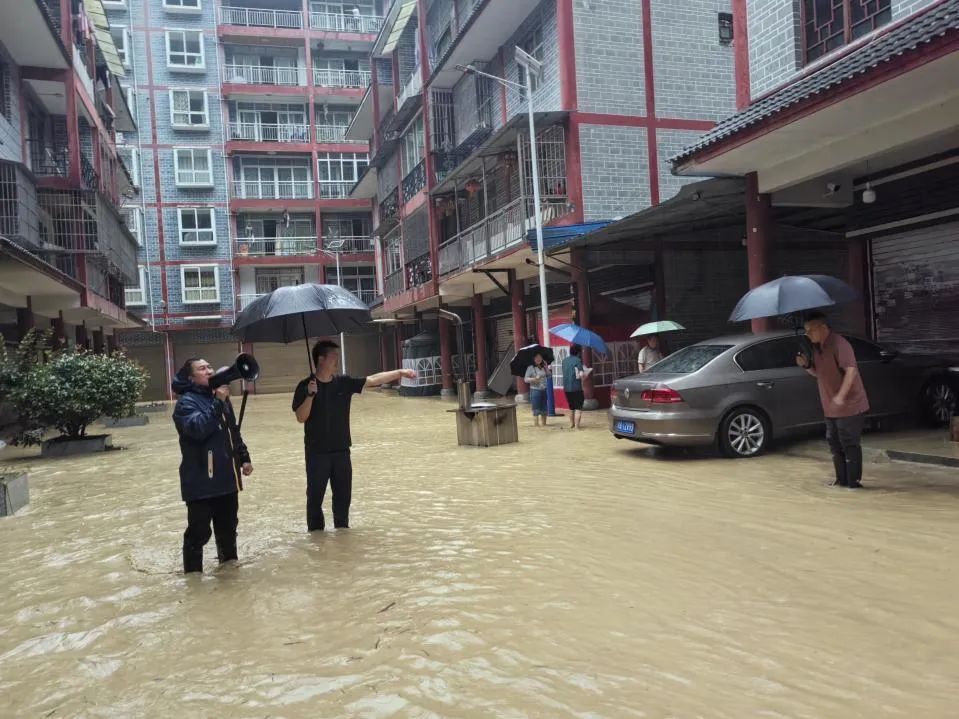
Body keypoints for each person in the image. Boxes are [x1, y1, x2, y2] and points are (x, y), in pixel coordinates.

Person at [292, 340, 416, 531]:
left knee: (343, 499)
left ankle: (342, 536)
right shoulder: (305, 386)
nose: (337, 362)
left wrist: (399, 373)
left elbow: (373, 380)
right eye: (334, 357)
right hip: (317, 454)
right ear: (321, 359)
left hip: (341, 452)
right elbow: (301, 417)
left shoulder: (343, 383)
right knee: (315, 500)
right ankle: (316, 539)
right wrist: (310, 395)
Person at [172, 358, 253, 574]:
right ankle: (193, 579)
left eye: (209, 366)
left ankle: (229, 578)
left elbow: (232, 431)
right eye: (202, 369)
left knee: (228, 531)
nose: (209, 370)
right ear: (191, 378)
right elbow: (197, 429)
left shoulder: (222, 400)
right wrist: (218, 401)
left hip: (226, 479)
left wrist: (244, 457)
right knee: (198, 534)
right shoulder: (185, 403)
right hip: (200, 483)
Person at [796, 312, 870, 488]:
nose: (808, 334)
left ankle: (853, 482)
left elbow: (851, 371)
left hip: (850, 405)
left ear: (823, 328)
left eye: (810, 330)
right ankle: (840, 480)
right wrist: (805, 366)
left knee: (849, 442)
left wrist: (841, 396)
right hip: (830, 406)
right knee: (834, 442)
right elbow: (819, 374)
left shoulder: (840, 344)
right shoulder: (816, 348)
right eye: (805, 331)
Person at [562, 344, 590, 429]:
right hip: (576, 388)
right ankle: (577, 427)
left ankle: (571, 424)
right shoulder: (578, 360)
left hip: (566, 388)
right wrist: (586, 374)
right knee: (578, 408)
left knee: (571, 407)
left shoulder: (564, 361)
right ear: (578, 353)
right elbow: (581, 374)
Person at [524, 353, 549, 427]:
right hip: (535, 390)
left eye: (540, 357)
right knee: (536, 408)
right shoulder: (530, 368)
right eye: (536, 357)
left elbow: (549, 375)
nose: (538, 359)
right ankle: (536, 425)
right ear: (533, 359)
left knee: (544, 407)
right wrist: (534, 379)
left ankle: (544, 425)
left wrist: (546, 368)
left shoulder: (543, 366)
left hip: (544, 389)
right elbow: (526, 379)